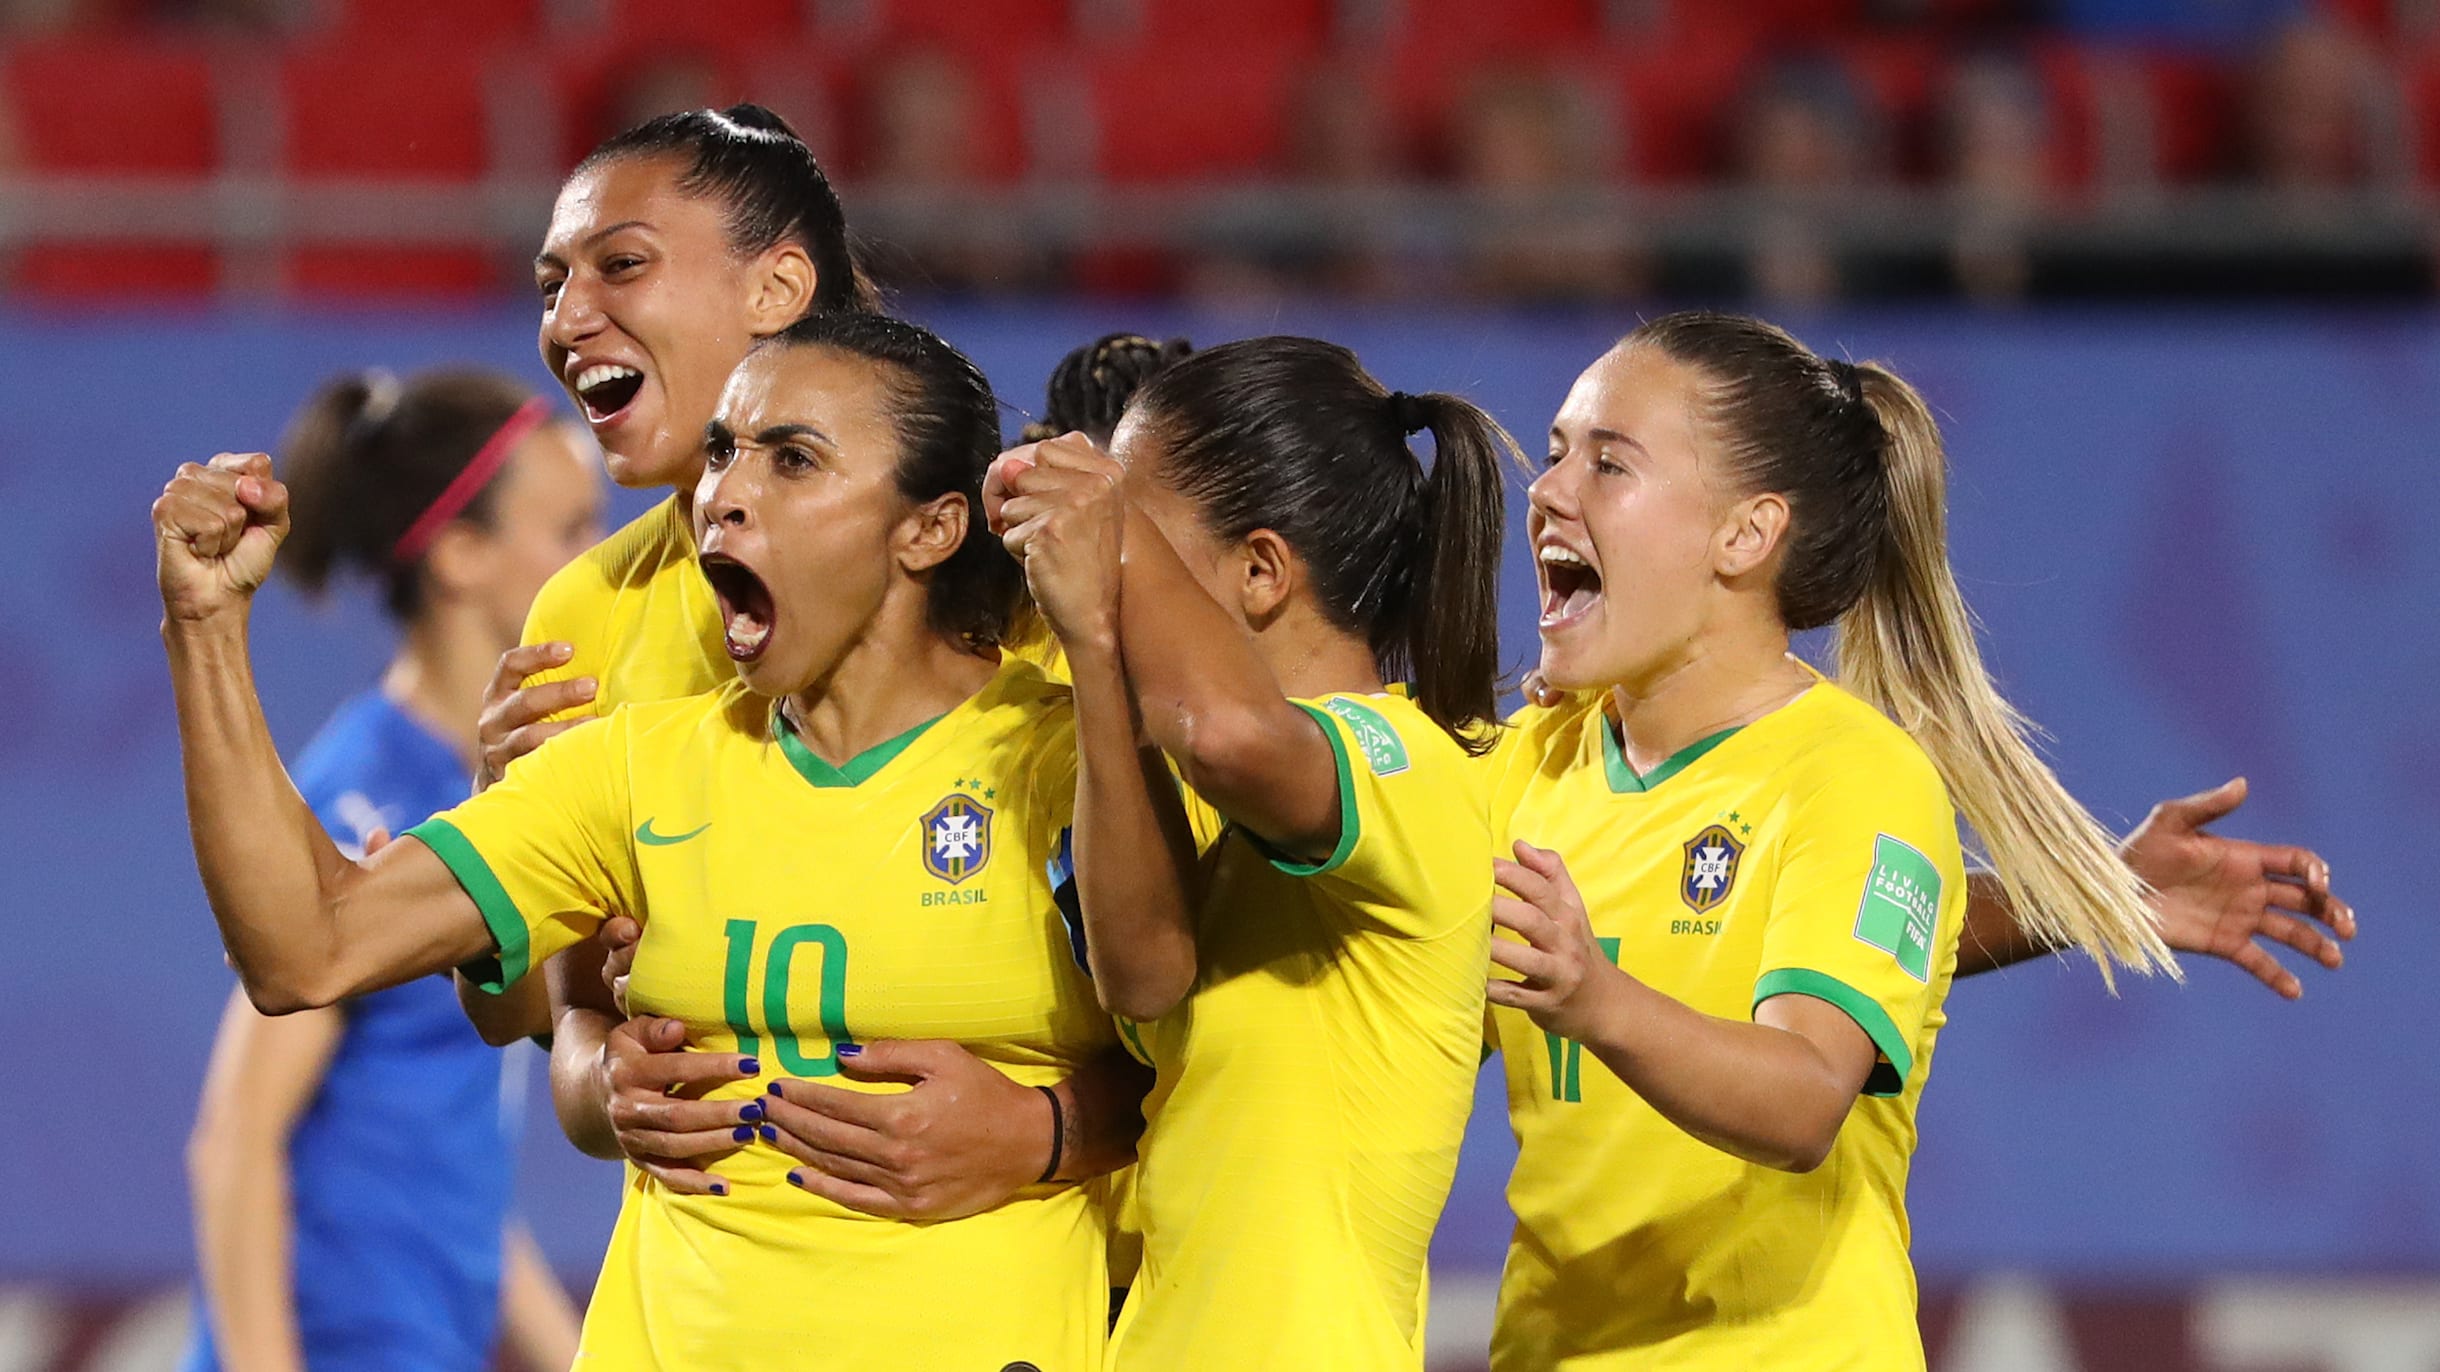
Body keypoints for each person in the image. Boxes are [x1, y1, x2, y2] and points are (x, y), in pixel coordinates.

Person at [155, 313, 1183, 1368]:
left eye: (793, 459)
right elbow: (306, 944)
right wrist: (206, 629)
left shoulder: (1063, 760)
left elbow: (1216, 1058)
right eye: (726, 451)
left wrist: (1050, 1129)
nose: (722, 493)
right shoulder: (634, 768)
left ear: (928, 528)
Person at [1481, 310, 2243, 1368]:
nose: (1550, 488)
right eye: (1558, 452)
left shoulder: (1853, 774)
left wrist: (1590, 998)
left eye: (1609, 464)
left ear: (1744, 535)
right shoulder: (1532, 763)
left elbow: (1802, 1096)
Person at [987, 336, 1509, 1370]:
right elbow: (1141, 974)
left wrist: (1110, 527)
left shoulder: (1405, 763)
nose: (1105, 552)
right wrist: (1094, 649)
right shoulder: (1198, 799)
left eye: (1133, 531)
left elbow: (1227, 731)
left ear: (1261, 571)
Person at [177, 368, 600, 1372]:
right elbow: (234, 1143)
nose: (600, 562)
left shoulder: (494, 801)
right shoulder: (358, 797)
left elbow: (459, 1187)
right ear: (460, 554)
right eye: (570, 531)